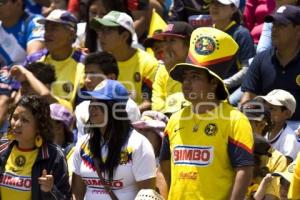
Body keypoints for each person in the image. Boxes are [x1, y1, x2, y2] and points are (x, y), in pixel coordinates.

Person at [159, 30, 253, 198]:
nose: (186, 83)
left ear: (213, 84)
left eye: (194, 77)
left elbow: (244, 171)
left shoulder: (235, 120)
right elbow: (163, 169)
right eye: (184, 78)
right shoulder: (174, 119)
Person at [71, 80, 156, 199]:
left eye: (99, 102)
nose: (92, 107)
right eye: (91, 101)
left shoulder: (138, 144)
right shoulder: (83, 143)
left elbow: (148, 195)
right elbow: (77, 193)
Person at [0, 95, 71, 200]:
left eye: (24, 120)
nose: (17, 124)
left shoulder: (54, 155)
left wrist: (50, 190)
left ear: (39, 126)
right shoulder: (2, 148)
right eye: (14, 118)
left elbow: (65, 197)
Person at [241, 5, 300, 128]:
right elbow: (248, 98)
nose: (274, 29)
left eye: (281, 25)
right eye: (274, 24)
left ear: (298, 30)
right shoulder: (261, 59)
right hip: (266, 126)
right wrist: (254, 124)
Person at [90, 11, 158, 111]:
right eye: (100, 30)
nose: (101, 36)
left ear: (124, 36)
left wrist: (121, 115)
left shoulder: (148, 63)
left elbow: (148, 103)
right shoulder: (100, 62)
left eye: (107, 30)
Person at [75, 52, 140, 141]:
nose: (87, 80)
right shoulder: (81, 108)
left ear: (111, 78)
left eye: (93, 74)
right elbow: (82, 144)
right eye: (86, 74)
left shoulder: (128, 106)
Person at [26, 9, 85, 108]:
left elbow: (83, 108)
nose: (47, 34)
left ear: (71, 34)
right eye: (46, 28)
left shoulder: (85, 64)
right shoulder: (33, 60)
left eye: (53, 28)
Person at [209, 0, 255, 105]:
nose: (215, 7)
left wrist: (224, 83)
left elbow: (247, 70)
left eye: (221, 4)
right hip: (210, 87)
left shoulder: (241, 34)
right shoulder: (206, 33)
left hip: (235, 88)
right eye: (213, 2)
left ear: (233, 9)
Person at [151, 21, 193, 112]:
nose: (166, 46)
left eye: (172, 40)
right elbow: (157, 107)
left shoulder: (201, 71)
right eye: (165, 41)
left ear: (189, 45)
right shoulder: (162, 70)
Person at [255, 89, 300, 162]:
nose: (266, 112)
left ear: (286, 114)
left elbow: (284, 168)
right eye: (265, 107)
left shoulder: (289, 140)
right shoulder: (262, 130)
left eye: (272, 109)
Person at [0, 0, 44, 67]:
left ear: (18, 4)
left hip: (28, 74)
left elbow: (33, 62)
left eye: (1, 2)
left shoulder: (35, 23)